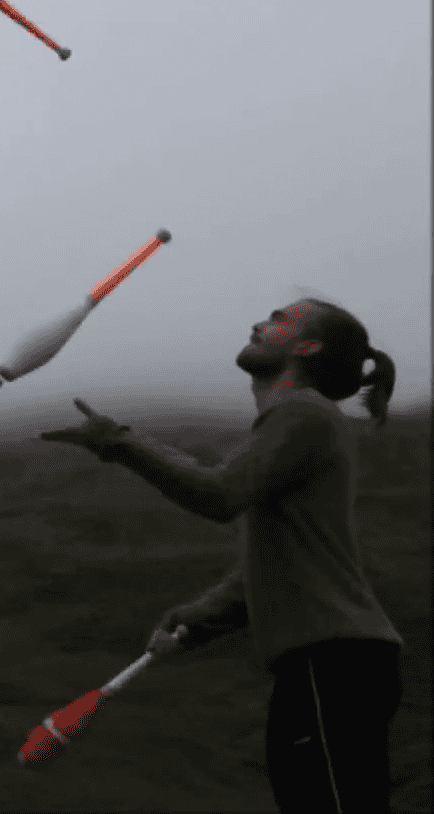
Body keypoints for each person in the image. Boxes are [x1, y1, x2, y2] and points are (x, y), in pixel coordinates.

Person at [40, 297, 403, 814]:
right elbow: (283, 564)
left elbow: (220, 494)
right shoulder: (301, 421)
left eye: (280, 318)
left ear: (308, 346)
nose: (259, 322)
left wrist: (119, 442)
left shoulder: (301, 412)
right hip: (330, 666)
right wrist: (197, 619)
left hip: (332, 664)